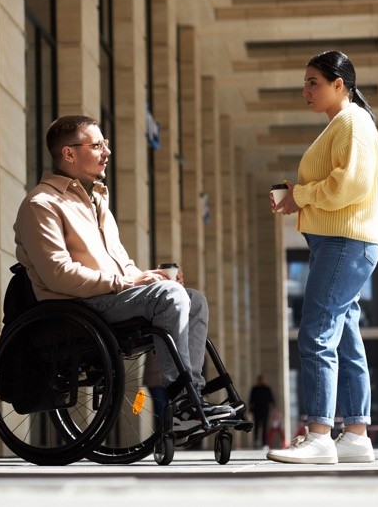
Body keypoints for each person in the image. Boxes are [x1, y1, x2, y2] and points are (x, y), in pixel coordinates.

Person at [13, 115, 235, 432]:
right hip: (75, 307)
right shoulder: (42, 203)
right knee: (170, 296)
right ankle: (181, 403)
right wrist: (130, 281)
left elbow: (120, 265)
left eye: (106, 144)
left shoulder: (97, 200)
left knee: (193, 299)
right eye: (97, 144)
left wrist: (149, 276)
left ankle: (190, 397)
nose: (107, 151)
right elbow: (57, 275)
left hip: (109, 298)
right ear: (69, 154)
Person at [268, 50, 378, 464]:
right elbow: (337, 185)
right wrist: (298, 196)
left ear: (340, 84)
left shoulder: (352, 121)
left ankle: (319, 434)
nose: (306, 91)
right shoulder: (344, 123)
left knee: (316, 332)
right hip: (341, 241)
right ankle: (355, 433)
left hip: (342, 242)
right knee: (345, 336)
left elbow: (347, 186)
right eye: (305, 83)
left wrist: (300, 195)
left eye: (313, 82)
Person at [249, 374, 275, 448]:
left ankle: (264, 443)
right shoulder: (254, 389)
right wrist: (250, 409)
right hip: (256, 410)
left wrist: (273, 408)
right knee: (256, 426)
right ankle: (256, 441)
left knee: (264, 427)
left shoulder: (267, 389)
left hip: (265, 411)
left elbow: (271, 399)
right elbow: (251, 400)